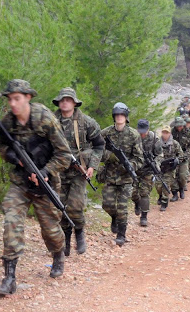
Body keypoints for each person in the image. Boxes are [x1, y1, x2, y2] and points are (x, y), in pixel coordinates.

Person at [0, 80, 71, 296]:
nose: (12, 104)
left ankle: (58, 254)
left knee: (50, 229)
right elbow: (2, 147)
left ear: (28, 97)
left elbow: (63, 154)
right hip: (20, 182)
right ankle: (9, 277)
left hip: (45, 183)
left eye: (16, 98)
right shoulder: (8, 121)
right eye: (9, 99)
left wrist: (45, 172)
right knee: (11, 220)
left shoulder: (44, 118)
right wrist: (15, 158)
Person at [52, 87, 104, 256]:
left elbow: (99, 145)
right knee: (60, 208)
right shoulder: (51, 121)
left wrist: (92, 166)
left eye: (68, 99)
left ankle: (79, 232)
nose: (65, 102)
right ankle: (65, 241)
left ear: (74, 102)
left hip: (78, 171)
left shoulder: (86, 122)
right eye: (62, 99)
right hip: (58, 171)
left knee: (75, 207)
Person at [98, 103, 144, 246]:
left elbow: (139, 158)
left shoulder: (133, 135)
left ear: (126, 117)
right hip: (110, 175)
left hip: (126, 178)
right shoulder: (105, 133)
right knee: (107, 205)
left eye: (122, 115)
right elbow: (97, 150)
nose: (119, 117)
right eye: (117, 115)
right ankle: (114, 218)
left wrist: (131, 166)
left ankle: (121, 235)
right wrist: (109, 156)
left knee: (122, 207)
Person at [131, 119, 163, 227]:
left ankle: (144, 216)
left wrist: (156, 163)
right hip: (135, 169)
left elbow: (160, 155)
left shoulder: (154, 139)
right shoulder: (133, 138)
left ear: (148, 129)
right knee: (133, 192)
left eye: (144, 131)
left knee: (144, 193)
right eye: (140, 131)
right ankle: (137, 203)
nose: (142, 133)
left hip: (148, 170)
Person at [156, 125, 183, 212]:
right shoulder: (157, 143)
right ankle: (160, 196)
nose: (165, 134)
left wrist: (176, 161)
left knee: (166, 185)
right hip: (159, 167)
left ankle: (164, 202)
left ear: (170, 133)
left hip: (170, 169)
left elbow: (181, 155)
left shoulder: (174, 143)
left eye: (167, 133)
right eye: (164, 132)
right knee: (158, 185)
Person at [171, 117, 190, 200]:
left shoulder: (188, 133)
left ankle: (181, 189)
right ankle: (175, 193)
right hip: (174, 156)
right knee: (173, 176)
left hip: (184, 156)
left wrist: (186, 155)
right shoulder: (172, 132)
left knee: (183, 176)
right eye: (178, 126)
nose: (179, 127)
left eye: (181, 126)